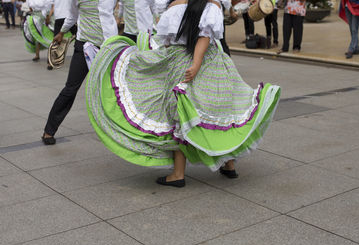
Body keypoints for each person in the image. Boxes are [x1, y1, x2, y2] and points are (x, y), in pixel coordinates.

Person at [85, 0, 281, 187]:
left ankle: (178, 174)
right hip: (209, 60)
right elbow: (205, 36)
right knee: (219, 111)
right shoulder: (211, 5)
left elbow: (168, 40)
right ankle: (228, 165)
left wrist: (187, 63)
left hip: (182, 61)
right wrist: (195, 62)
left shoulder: (175, 6)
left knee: (181, 114)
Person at [41, 0, 118, 145]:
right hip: (83, 47)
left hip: (107, 48)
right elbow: (72, 16)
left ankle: (119, 132)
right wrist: (61, 32)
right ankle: (48, 131)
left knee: (111, 90)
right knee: (70, 89)